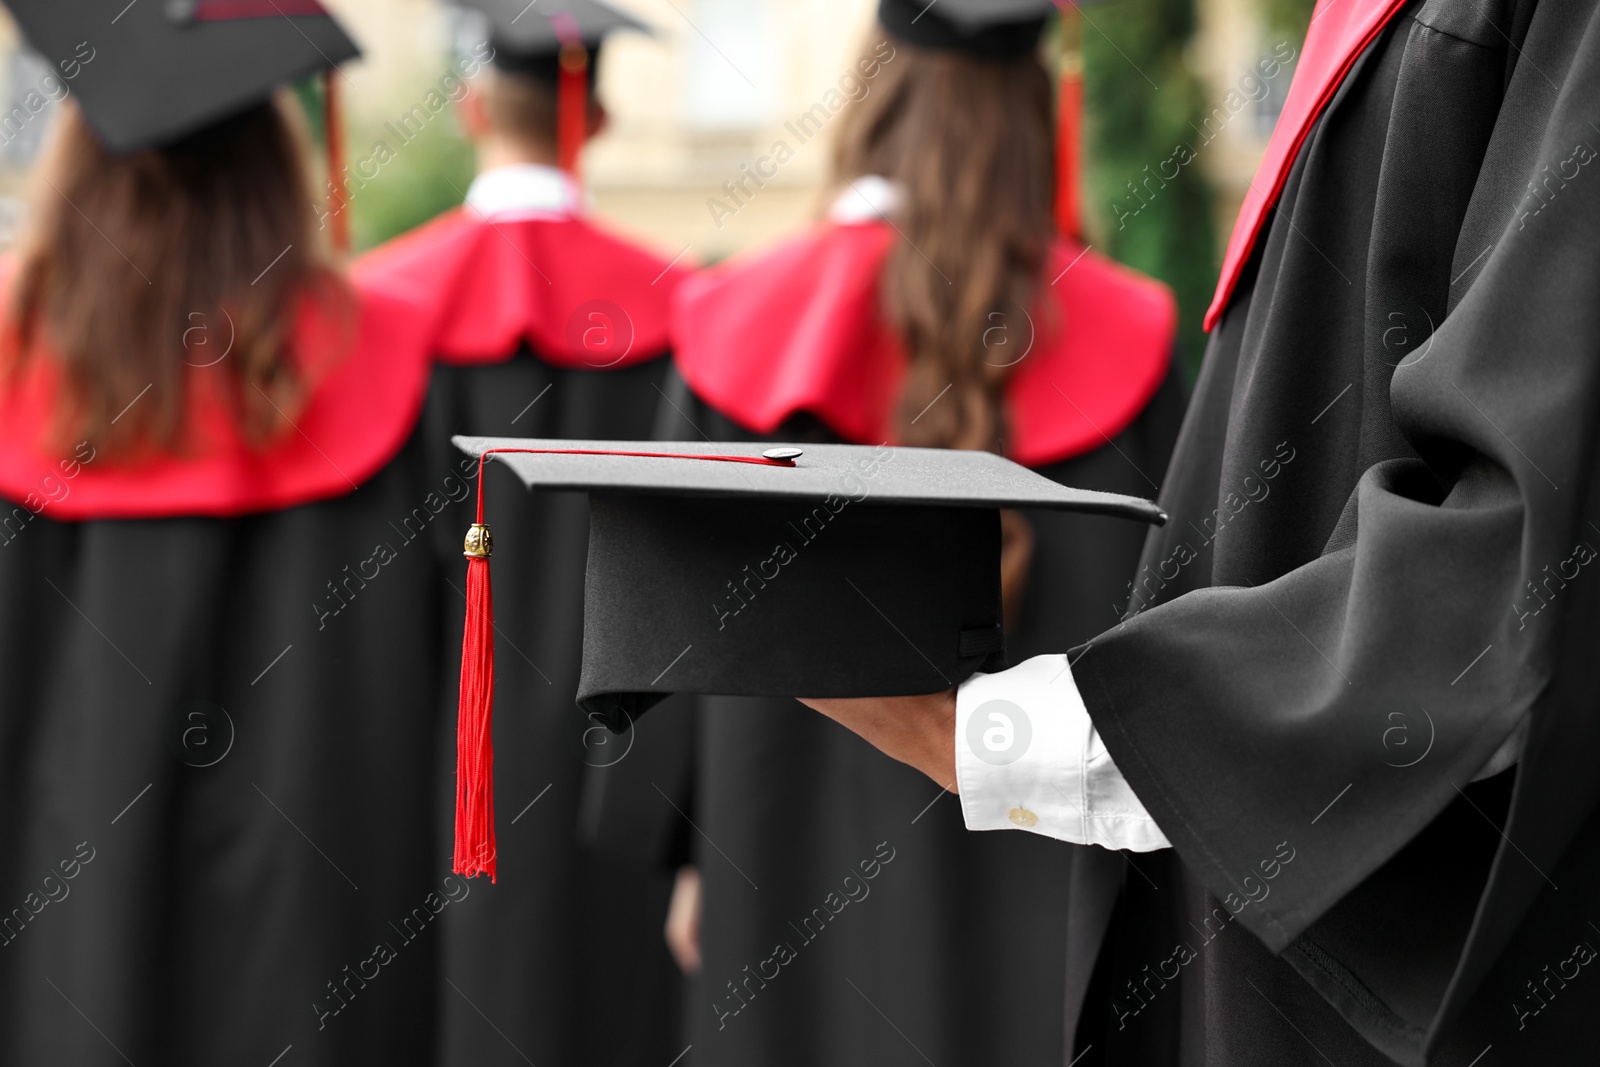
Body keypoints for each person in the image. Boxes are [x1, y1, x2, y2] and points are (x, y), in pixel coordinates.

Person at [799, 0, 1600, 1063]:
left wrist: (1016, 735)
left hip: (1386, 924)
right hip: (1245, 888)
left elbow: (1533, 545)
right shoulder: (1123, 329)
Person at [584, 1, 1186, 1062]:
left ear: (869, 99)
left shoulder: (740, 329)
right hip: (1048, 878)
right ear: (1033, 112)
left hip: (785, 866)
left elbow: (664, 619)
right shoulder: (1129, 338)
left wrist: (683, 848)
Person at [0, 4, 457, 1064]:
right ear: (277, 164)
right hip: (329, 924)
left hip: (59, 925)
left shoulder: (18, 365)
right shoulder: (395, 362)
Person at [353, 3, 692, 1063]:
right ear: (593, 119)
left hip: (412, 779)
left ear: (469, 108)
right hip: (618, 787)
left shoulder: (374, 313)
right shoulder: (684, 316)